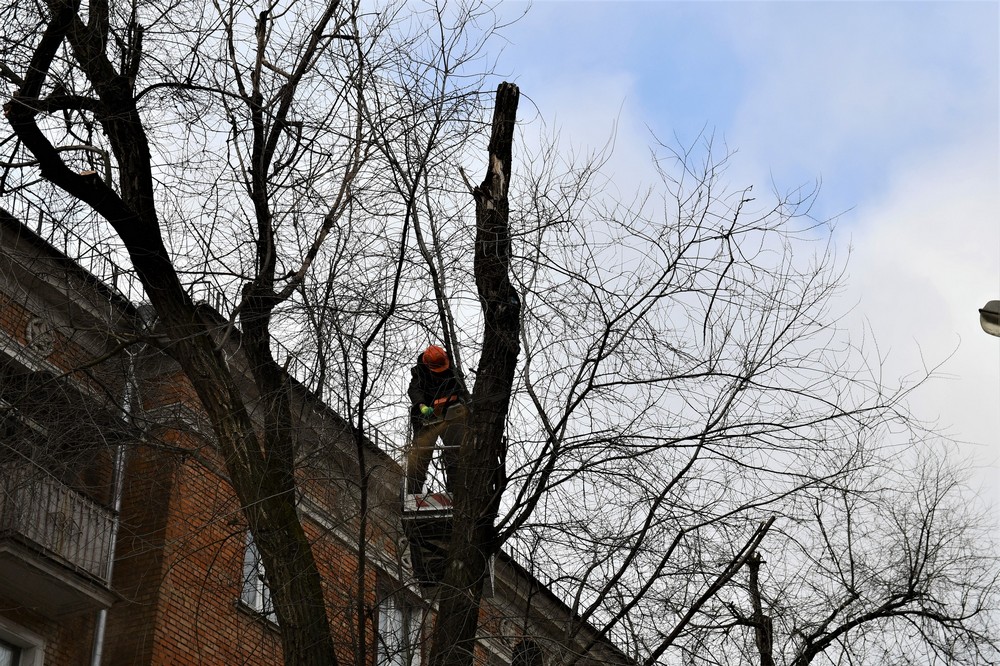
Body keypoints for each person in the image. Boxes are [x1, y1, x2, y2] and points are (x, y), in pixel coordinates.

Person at [405, 345, 469, 494]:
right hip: (426, 418)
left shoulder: (453, 372)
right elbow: (414, 389)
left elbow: (462, 392)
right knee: (421, 454)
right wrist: (421, 405)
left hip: (450, 417)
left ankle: (455, 491)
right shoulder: (420, 373)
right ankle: (414, 492)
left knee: (455, 451)